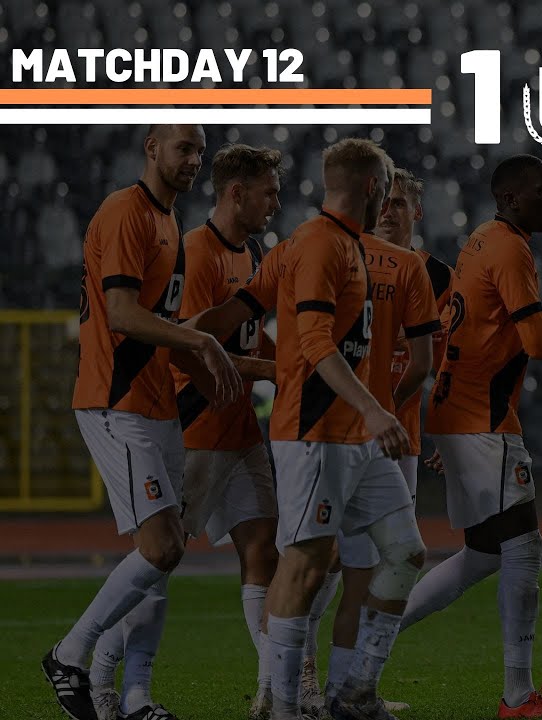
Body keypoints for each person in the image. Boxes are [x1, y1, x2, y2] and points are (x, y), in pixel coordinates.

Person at [397, 154, 542, 718]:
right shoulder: (509, 247)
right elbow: (538, 342)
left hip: (462, 412)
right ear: (509, 199)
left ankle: (370, 635)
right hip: (483, 418)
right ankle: (519, 695)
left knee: (483, 554)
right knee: (523, 546)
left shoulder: (480, 240)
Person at [217, 137, 422, 720]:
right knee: (306, 562)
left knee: (406, 552)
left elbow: (238, 311)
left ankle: (355, 692)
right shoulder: (318, 245)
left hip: (355, 437)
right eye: (386, 187)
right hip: (316, 433)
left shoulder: (341, 245)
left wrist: (195, 337)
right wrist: (376, 410)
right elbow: (311, 342)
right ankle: (281, 705)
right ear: (371, 188)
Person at [44, 123, 243, 720]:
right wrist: (203, 342)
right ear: (151, 149)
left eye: (200, 152)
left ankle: (130, 698)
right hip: (115, 399)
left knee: (167, 552)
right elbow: (126, 316)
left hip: (154, 404)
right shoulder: (125, 213)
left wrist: (229, 367)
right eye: (184, 148)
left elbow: (169, 333)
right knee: (159, 547)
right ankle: (70, 655)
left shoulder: (167, 223)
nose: (193, 160)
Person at [86, 143, 284, 720]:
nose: (275, 202)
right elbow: (189, 350)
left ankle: (273, 691)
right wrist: (278, 371)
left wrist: (289, 360)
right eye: (267, 191)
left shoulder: (249, 254)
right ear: (236, 193)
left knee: (262, 549)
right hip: (195, 427)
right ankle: (106, 673)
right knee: (158, 557)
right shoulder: (194, 254)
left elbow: (246, 340)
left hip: (241, 430)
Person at [298, 167, 454, 717]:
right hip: (340, 433)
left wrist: (402, 414)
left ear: (418, 212)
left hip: (399, 437)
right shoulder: (345, 255)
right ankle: (305, 679)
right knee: (331, 560)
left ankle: (350, 685)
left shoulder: (435, 275)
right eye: (383, 202)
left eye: (401, 204)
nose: (389, 212)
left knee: (374, 564)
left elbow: (437, 362)